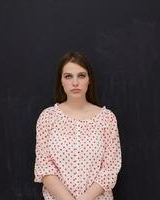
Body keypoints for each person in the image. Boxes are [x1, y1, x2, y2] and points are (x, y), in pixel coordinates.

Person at [34, 52, 122, 200]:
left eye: (81, 76)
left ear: (89, 80)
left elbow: (110, 169)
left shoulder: (107, 118)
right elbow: (44, 168)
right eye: (68, 76)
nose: (75, 83)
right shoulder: (48, 117)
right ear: (61, 81)